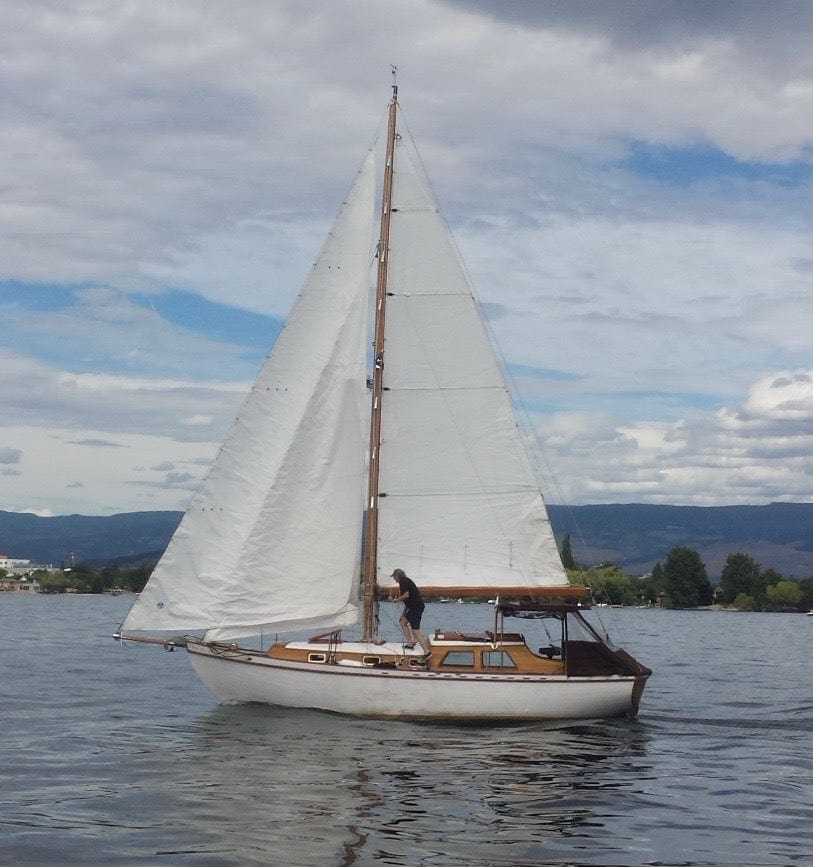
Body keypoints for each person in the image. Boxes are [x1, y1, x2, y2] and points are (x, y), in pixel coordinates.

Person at [391, 568, 432, 657]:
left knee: (415, 630)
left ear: (397, 576)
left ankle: (426, 652)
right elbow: (407, 602)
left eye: (394, 577)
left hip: (416, 607)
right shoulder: (405, 582)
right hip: (413, 606)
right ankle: (410, 644)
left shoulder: (403, 582)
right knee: (403, 622)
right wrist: (403, 615)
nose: (394, 579)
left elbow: (406, 595)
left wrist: (396, 600)